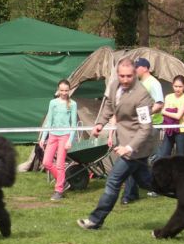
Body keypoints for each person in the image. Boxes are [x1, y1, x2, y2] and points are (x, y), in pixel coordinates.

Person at [77, 58, 155, 230]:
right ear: (117, 74)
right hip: (126, 142)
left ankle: (95, 221)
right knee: (148, 182)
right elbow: (109, 107)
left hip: (137, 147)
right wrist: (100, 124)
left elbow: (145, 128)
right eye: (122, 76)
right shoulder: (113, 86)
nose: (125, 80)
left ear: (135, 74)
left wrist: (129, 147)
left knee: (113, 181)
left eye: (129, 76)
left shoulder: (142, 95)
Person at [123, 57, 164, 204]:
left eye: (137, 67)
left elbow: (159, 104)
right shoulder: (140, 83)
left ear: (145, 68)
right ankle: (132, 193)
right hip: (141, 126)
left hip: (151, 126)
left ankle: (134, 193)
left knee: (139, 157)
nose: (135, 70)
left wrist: (143, 114)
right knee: (137, 158)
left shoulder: (153, 83)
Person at [40, 79, 78, 201]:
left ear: (69, 90)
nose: (64, 93)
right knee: (46, 162)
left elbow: (73, 124)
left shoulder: (73, 104)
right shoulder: (53, 103)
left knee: (60, 165)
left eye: (66, 90)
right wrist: (43, 137)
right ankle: (63, 182)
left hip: (65, 136)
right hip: (52, 135)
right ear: (58, 90)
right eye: (61, 90)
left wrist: (69, 140)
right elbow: (48, 121)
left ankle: (59, 190)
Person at [156, 75, 184, 159]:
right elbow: (166, 112)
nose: (177, 89)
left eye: (180, 86)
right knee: (164, 155)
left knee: (181, 157)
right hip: (169, 130)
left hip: (181, 130)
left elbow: (178, 116)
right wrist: (172, 111)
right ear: (172, 85)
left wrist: (165, 111)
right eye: (175, 86)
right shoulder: (168, 97)